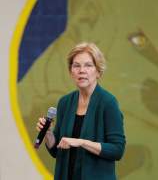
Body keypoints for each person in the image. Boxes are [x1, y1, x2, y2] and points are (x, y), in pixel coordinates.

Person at [36, 42, 126, 180]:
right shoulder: (65, 103)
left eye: (88, 65)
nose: (81, 70)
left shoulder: (108, 103)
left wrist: (82, 142)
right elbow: (56, 151)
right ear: (71, 71)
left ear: (98, 71)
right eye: (76, 65)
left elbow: (117, 150)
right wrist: (48, 134)